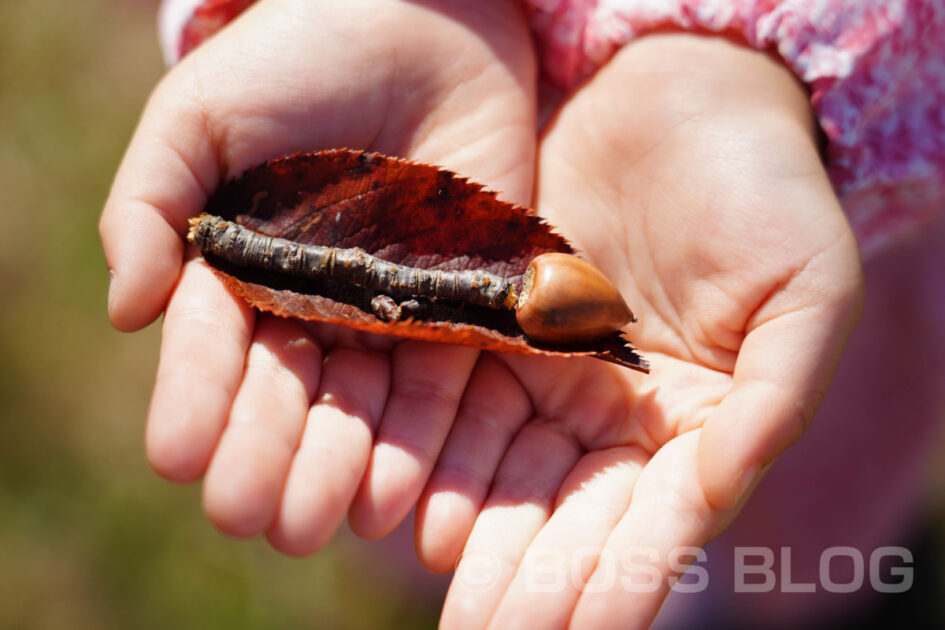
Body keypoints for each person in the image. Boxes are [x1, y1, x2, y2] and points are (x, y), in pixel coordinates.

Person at [100, 1, 945, 627]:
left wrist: (749, 53)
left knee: (780, 508)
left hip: (811, 210)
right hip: (495, 324)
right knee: (447, 502)